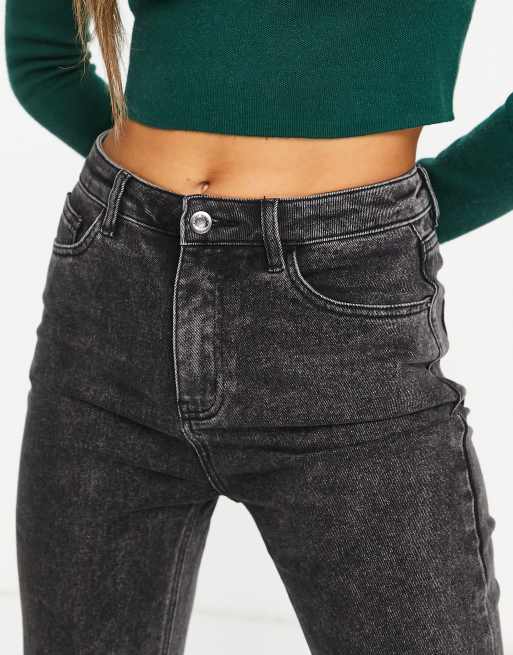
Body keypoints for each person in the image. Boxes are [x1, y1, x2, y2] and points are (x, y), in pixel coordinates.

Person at [5, 1, 507, 653]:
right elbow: (42, 57)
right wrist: (143, 207)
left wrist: (388, 224)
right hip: (111, 305)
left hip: (346, 327)